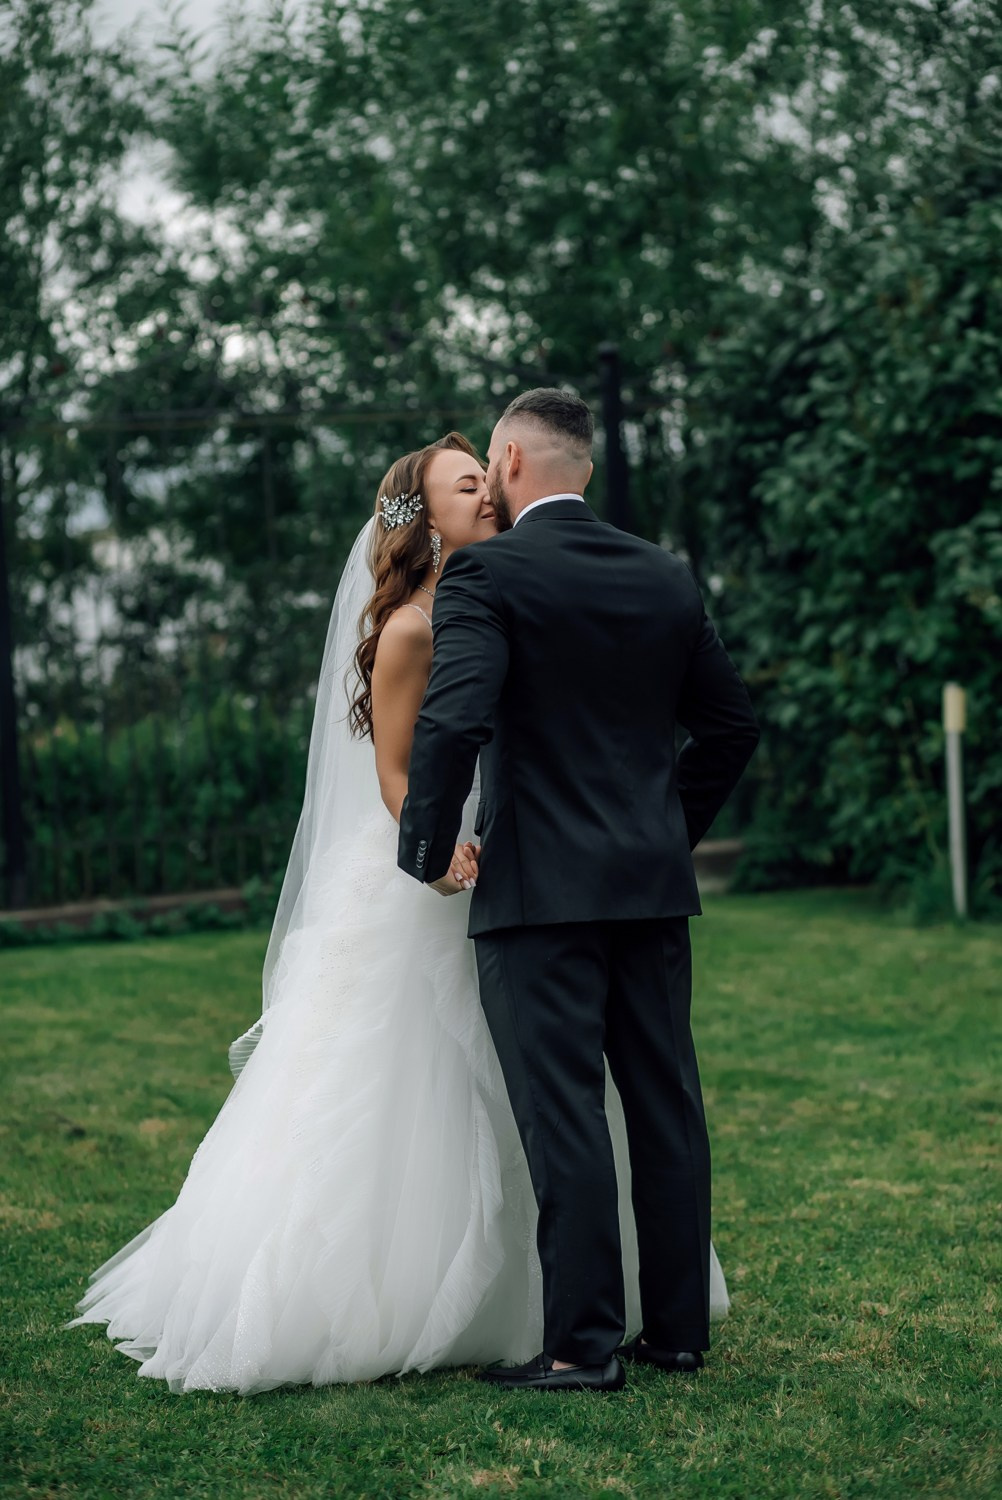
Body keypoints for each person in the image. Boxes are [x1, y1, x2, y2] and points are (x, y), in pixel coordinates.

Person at [64, 430, 731, 1395]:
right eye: (464, 487)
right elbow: (399, 766)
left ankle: (582, 1332)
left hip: (521, 871)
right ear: (422, 521)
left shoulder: (510, 584)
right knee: (498, 1098)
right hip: (463, 870)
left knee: (559, 1106)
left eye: (485, 477)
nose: (487, 494)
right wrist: (432, 851)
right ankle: (566, 1317)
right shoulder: (433, 618)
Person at [399, 391, 759, 1393]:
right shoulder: (663, 574)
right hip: (649, 890)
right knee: (665, 1108)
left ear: (510, 461)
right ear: (585, 469)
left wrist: (423, 847)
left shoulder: (486, 573)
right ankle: (676, 1334)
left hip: (538, 895)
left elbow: (454, 720)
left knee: (565, 1114)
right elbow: (731, 727)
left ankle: (581, 1347)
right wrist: (664, 834)